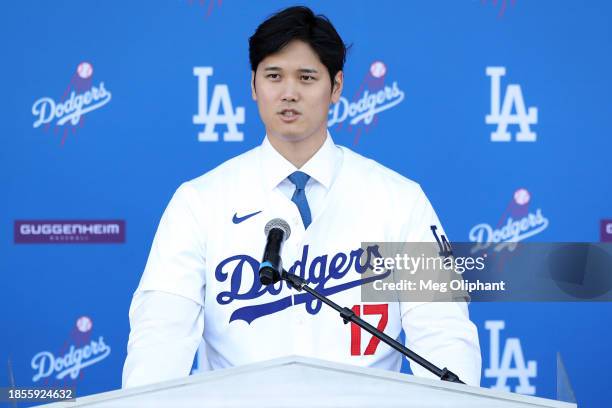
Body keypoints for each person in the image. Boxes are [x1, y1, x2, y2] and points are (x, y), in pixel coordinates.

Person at [122, 6, 481, 388]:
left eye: (307, 78)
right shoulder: (200, 202)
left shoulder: (398, 201)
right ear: (253, 85)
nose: (289, 93)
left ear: (336, 87)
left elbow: (443, 335)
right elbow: (160, 339)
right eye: (274, 76)